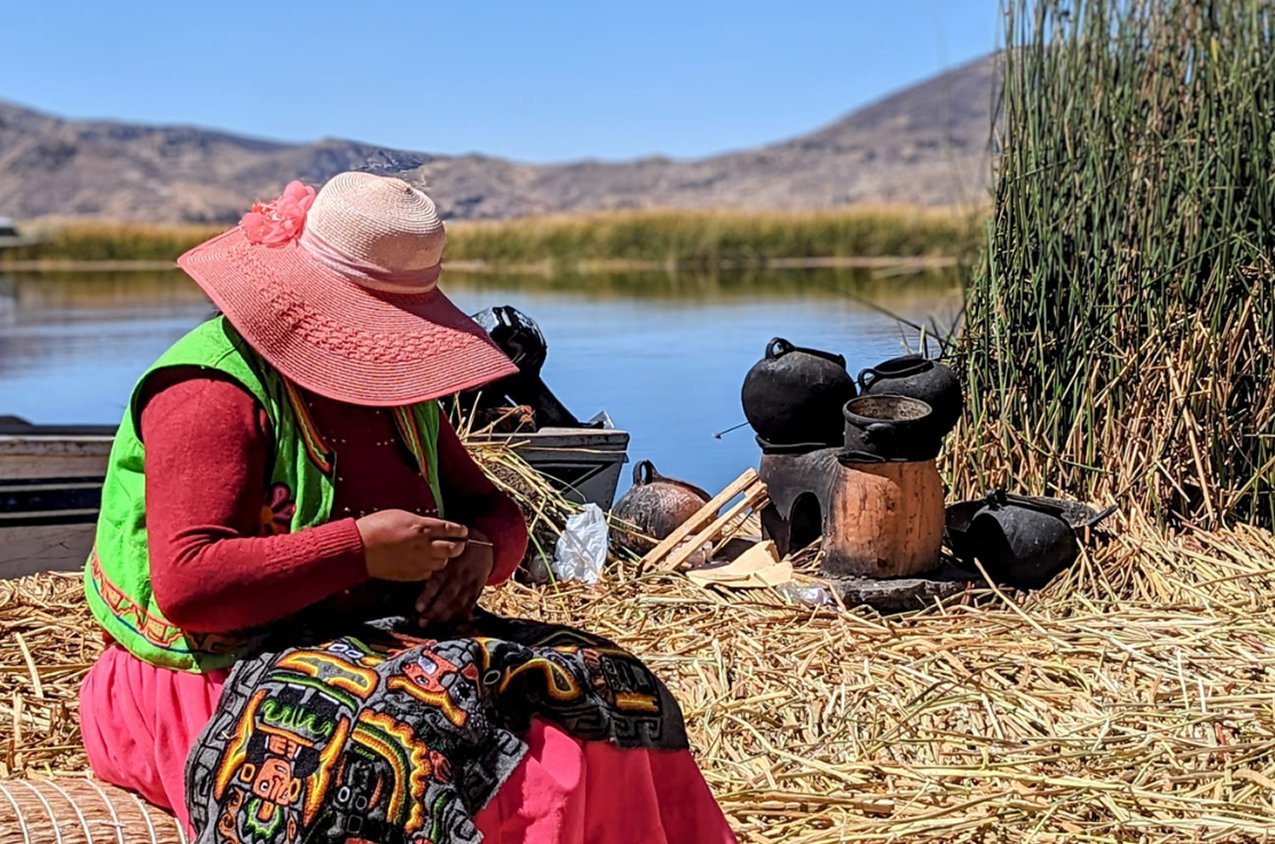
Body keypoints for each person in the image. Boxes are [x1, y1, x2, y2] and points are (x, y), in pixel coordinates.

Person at [78, 172, 736, 843]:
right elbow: (190, 586)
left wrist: (481, 552)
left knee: (613, 694)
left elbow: (494, 510)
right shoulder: (208, 388)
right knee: (454, 769)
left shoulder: (391, 390)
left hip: (364, 637)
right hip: (200, 674)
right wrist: (359, 549)